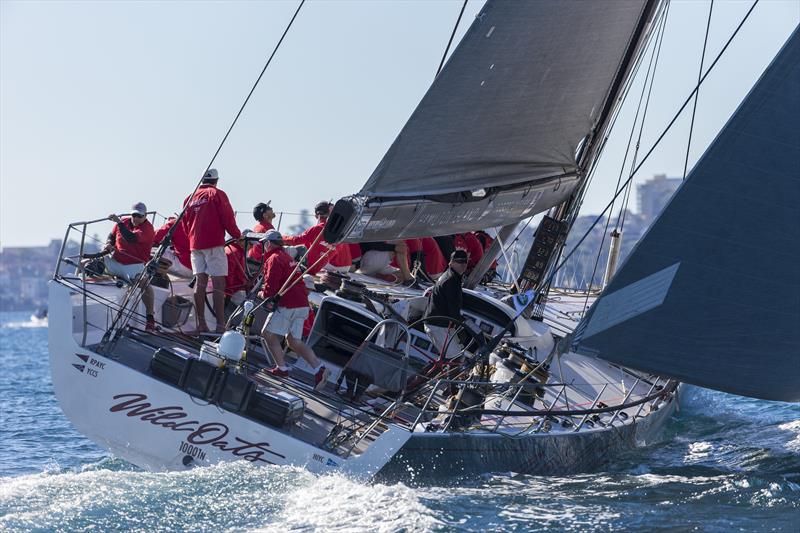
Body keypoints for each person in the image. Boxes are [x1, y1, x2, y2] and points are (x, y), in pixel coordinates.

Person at [258, 230, 329, 390]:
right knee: (293, 341)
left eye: (264, 243)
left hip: (288, 304)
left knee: (267, 333)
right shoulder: (287, 257)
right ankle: (319, 368)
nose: (263, 246)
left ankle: (282, 369)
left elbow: (270, 291)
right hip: (302, 304)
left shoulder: (274, 258)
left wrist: (261, 293)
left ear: (269, 243)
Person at [181, 169, 242, 333]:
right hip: (214, 243)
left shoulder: (189, 197)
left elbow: (185, 224)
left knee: (200, 282)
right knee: (219, 284)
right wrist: (238, 236)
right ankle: (220, 325)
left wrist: (193, 239)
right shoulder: (217, 193)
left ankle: (201, 324)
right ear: (216, 180)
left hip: (195, 245)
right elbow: (228, 218)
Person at [103, 202, 157, 331]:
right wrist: (108, 244)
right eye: (134, 215)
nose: (136, 218)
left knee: (143, 283)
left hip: (133, 266)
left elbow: (131, 238)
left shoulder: (147, 229)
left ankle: (150, 319)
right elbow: (111, 235)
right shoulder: (123, 222)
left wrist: (119, 222)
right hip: (115, 262)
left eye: (140, 216)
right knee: (91, 264)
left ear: (145, 216)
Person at [423, 249, 469, 359]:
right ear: (451, 263)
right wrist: (462, 327)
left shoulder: (451, 276)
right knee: (456, 358)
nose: (463, 265)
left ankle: (433, 375)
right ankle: (442, 375)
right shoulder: (451, 280)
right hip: (437, 325)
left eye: (465, 262)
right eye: (459, 261)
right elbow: (453, 308)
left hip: (437, 323)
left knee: (448, 358)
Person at [282, 201, 337, 275]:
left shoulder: (317, 228)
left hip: (307, 267)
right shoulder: (337, 233)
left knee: (290, 249)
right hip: (317, 269)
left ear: (317, 215)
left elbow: (296, 241)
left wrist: (281, 237)